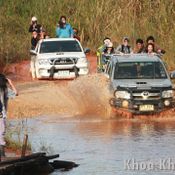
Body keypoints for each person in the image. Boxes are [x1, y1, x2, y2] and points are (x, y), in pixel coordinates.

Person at [0, 74, 18, 157]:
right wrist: (11, 83)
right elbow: (16, 93)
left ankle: (2, 154)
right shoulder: (5, 89)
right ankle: (2, 155)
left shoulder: (5, 89)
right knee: (1, 134)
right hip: (1, 114)